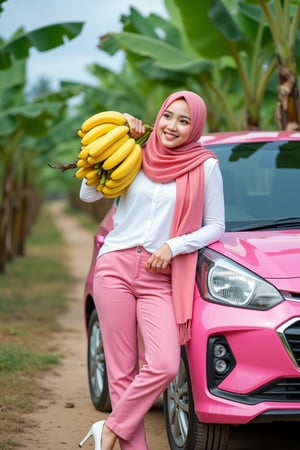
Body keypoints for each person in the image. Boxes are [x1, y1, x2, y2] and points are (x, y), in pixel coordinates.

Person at [78, 90, 225, 450]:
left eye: (184, 120)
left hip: (160, 275)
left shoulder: (205, 165)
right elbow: (88, 194)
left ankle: (109, 431)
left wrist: (174, 245)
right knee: (121, 372)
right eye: (168, 116)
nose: (172, 126)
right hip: (115, 267)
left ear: (195, 127)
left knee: (164, 364)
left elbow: (216, 225)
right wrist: (118, 141)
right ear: (158, 117)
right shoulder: (135, 153)